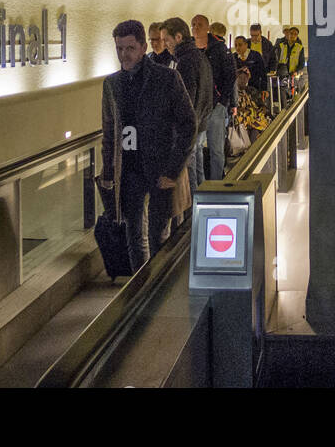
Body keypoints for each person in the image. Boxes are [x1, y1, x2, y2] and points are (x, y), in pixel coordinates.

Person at [98, 20, 196, 271]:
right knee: (134, 237)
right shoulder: (112, 84)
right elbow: (109, 132)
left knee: (158, 235)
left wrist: (173, 170)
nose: (124, 54)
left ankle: (158, 288)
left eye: (130, 48)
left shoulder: (167, 78)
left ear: (143, 48)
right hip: (129, 170)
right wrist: (108, 174)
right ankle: (139, 288)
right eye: (119, 48)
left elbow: (188, 125)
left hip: (160, 169)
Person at [164, 16, 214, 193]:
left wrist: (180, 126)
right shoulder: (199, 56)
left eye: (166, 40)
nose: (165, 44)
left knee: (190, 167)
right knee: (198, 163)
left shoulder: (184, 62)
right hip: (201, 122)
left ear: (178, 37)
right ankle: (205, 198)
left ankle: (195, 210)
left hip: (191, 125)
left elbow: (186, 99)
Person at [195, 16, 237, 181]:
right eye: (193, 25)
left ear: (208, 28)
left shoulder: (219, 49)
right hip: (198, 107)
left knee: (216, 149)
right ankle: (200, 185)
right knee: (196, 148)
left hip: (215, 106)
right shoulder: (191, 50)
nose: (196, 28)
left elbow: (230, 75)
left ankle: (216, 183)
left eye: (199, 25)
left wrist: (224, 101)